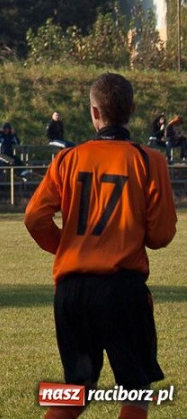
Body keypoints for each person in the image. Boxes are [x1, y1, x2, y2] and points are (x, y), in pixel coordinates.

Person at [24, 72, 177, 419]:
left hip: (72, 288)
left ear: (94, 113)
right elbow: (161, 235)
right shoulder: (149, 160)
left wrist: (68, 245)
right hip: (122, 288)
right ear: (133, 110)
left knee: (75, 391)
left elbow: (34, 217)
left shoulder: (66, 159)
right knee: (135, 390)